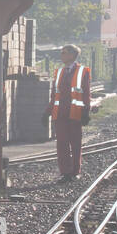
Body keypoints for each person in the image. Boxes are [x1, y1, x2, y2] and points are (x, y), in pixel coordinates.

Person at [45, 44, 91, 183]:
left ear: (72, 55)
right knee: (62, 144)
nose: (61, 55)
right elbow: (54, 95)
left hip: (75, 114)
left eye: (64, 52)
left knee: (75, 144)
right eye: (61, 52)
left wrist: (85, 113)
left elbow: (86, 93)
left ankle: (75, 172)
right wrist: (47, 112)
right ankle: (65, 172)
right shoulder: (59, 72)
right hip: (60, 114)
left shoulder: (83, 71)